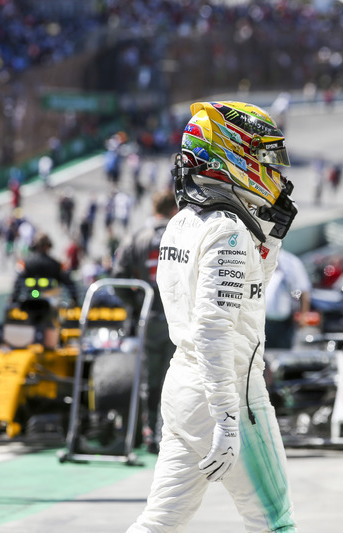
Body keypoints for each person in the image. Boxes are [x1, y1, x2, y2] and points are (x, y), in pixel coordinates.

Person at [127, 101, 298, 532]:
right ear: (232, 155)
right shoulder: (228, 229)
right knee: (274, 522)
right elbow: (214, 328)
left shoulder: (182, 222)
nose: (274, 173)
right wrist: (225, 415)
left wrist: (272, 237)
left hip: (182, 385)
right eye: (265, 158)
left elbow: (248, 291)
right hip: (229, 389)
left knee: (160, 521)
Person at [112, 189, 178, 454]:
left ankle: (147, 432)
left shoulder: (137, 236)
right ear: (175, 209)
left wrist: (137, 304)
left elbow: (118, 278)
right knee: (176, 377)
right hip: (177, 319)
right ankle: (169, 434)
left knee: (148, 379)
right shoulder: (183, 234)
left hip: (148, 318)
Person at [10, 232, 80, 307]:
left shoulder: (25, 263)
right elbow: (69, 283)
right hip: (51, 303)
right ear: (48, 246)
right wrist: (75, 299)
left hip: (29, 302)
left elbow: (17, 283)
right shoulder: (56, 264)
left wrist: (14, 300)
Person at [264, 249, 312, 350]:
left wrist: (303, 315)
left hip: (285, 322)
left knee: (283, 354)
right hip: (264, 320)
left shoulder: (291, 262)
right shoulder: (260, 257)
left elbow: (303, 290)